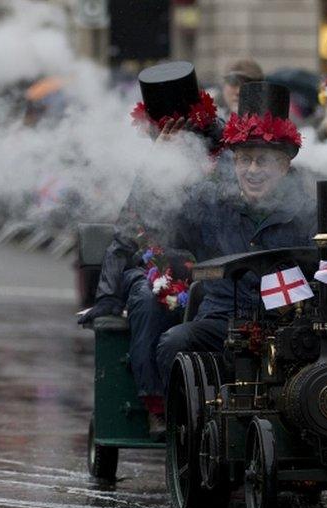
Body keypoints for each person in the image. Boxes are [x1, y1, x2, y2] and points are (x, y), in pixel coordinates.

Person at [78, 61, 224, 436]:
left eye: (178, 128)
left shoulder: (223, 150)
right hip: (154, 262)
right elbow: (129, 228)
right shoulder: (151, 159)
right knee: (148, 296)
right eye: (164, 129)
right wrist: (108, 294)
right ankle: (157, 402)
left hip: (214, 261)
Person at [155, 81, 314, 398]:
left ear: (284, 165)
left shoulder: (308, 212)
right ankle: (185, 431)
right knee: (174, 341)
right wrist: (161, 166)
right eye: (244, 159)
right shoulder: (209, 204)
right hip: (221, 324)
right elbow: (165, 224)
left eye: (263, 160)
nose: (252, 170)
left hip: (288, 326)